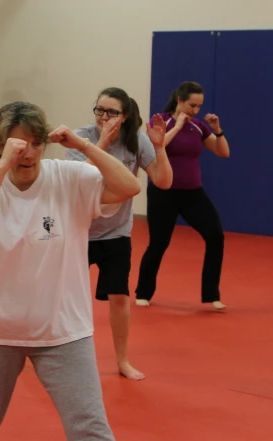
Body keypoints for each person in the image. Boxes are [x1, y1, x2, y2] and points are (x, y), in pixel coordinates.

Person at [0, 101, 141, 441]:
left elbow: (129, 187)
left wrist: (86, 146)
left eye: (36, 143)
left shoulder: (68, 176)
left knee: (89, 424)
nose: (29, 152)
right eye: (18, 145)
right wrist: (3, 165)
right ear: (2, 144)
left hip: (62, 331)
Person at [64, 87, 174, 381]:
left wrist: (160, 148)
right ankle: (45, 351)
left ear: (125, 116)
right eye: (99, 110)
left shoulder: (136, 140)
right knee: (62, 296)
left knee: (120, 297)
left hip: (116, 232)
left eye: (111, 112)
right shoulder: (80, 137)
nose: (104, 117)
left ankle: (123, 360)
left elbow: (163, 181)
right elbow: (77, 181)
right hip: (78, 231)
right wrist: (100, 142)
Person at [135, 81, 231, 311]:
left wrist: (217, 129)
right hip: (163, 192)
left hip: (193, 194)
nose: (195, 111)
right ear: (179, 100)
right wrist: (177, 126)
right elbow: (155, 148)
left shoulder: (198, 126)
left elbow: (223, 152)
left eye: (199, 106)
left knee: (215, 235)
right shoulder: (160, 121)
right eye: (191, 105)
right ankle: (143, 292)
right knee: (159, 243)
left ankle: (211, 294)